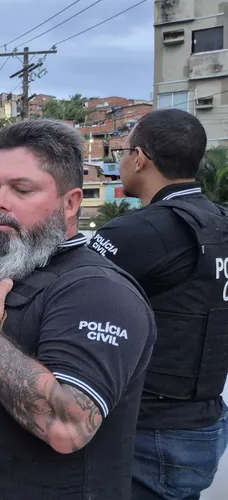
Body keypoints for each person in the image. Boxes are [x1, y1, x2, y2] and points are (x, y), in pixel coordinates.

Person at [0, 119, 157, 499]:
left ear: (71, 203)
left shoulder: (100, 292)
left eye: (22, 189)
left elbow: (68, 427)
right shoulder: (6, 271)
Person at [88, 108, 228, 499]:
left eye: (122, 152)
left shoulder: (138, 231)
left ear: (140, 158)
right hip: (204, 425)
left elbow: (68, 298)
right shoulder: (220, 223)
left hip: (147, 433)